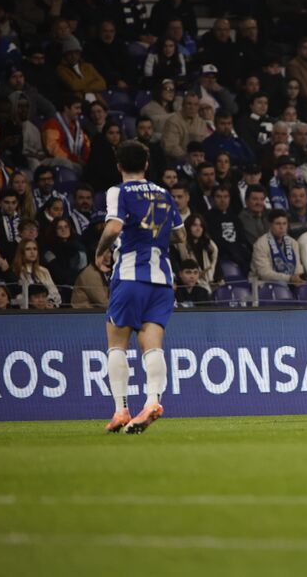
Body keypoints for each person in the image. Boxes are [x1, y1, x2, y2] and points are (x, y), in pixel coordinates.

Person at [96, 142, 186, 434]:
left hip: (131, 276)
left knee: (117, 344)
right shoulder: (163, 193)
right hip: (162, 280)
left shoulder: (117, 191)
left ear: (118, 165)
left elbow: (113, 227)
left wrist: (100, 252)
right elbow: (180, 235)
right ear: (147, 164)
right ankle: (152, 402)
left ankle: (121, 409)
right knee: (152, 345)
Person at [251, 209, 306, 285]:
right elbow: (264, 273)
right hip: (263, 283)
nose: (282, 227)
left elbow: (298, 268)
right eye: (278, 224)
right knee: (282, 285)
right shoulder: (261, 244)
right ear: (270, 225)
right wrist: (289, 278)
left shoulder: (293, 242)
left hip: (290, 281)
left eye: (284, 224)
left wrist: (298, 277)